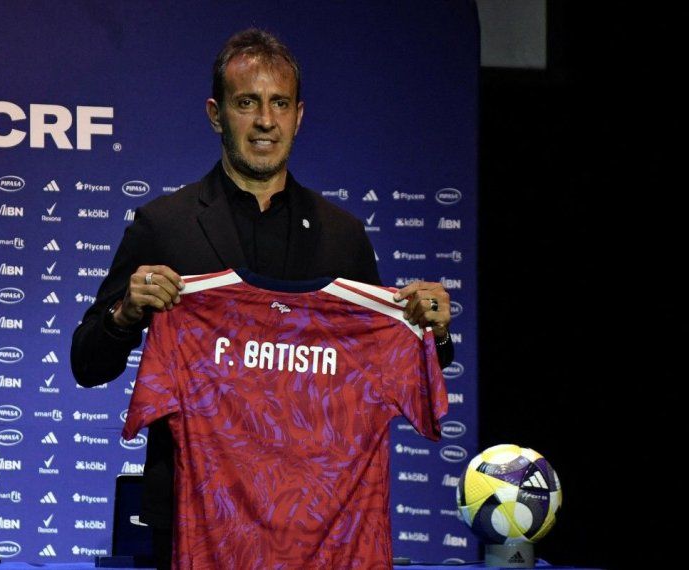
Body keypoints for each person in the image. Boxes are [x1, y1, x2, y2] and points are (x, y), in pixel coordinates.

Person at [70, 28, 453, 569]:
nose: (265, 121)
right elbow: (85, 363)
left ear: (299, 114)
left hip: (319, 530)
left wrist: (431, 329)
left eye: (279, 104)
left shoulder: (343, 236)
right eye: (247, 103)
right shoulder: (165, 225)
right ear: (216, 113)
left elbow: (393, 360)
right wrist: (125, 313)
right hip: (193, 522)